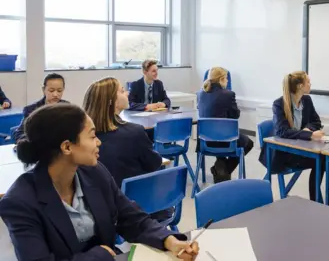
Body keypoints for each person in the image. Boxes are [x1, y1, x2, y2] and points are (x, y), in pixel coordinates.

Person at [0, 104, 199, 261]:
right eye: (93, 136)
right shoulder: (19, 203)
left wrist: (168, 240)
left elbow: (130, 217)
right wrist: (100, 255)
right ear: (67, 147)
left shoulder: (94, 172)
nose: (99, 142)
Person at [83, 77, 173, 222]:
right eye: (122, 91)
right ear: (112, 101)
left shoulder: (83, 139)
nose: (127, 93)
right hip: (138, 209)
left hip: (98, 211)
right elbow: (154, 163)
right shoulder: (134, 132)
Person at [259, 71, 329, 203]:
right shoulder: (279, 104)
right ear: (300, 86)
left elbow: (316, 122)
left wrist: (308, 129)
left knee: (326, 157)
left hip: (302, 148)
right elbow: (282, 132)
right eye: (308, 82)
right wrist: (309, 134)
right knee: (322, 160)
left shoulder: (306, 100)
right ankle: (322, 197)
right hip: (284, 154)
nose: (310, 84)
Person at [197, 67, 254, 183]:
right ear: (222, 79)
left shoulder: (200, 94)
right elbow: (235, 115)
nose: (228, 81)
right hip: (225, 140)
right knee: (248, 143)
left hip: (204, 141)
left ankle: (220, 168)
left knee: (220, 137)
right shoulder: (229, 94)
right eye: (226, 79)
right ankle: (223, 170)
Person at [13, 73, 69, 143]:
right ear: (43, 90)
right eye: (51, 91)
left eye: (59, 91)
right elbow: (19, 133)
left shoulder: (68, 108)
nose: (55, 94)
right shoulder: (31, 110)